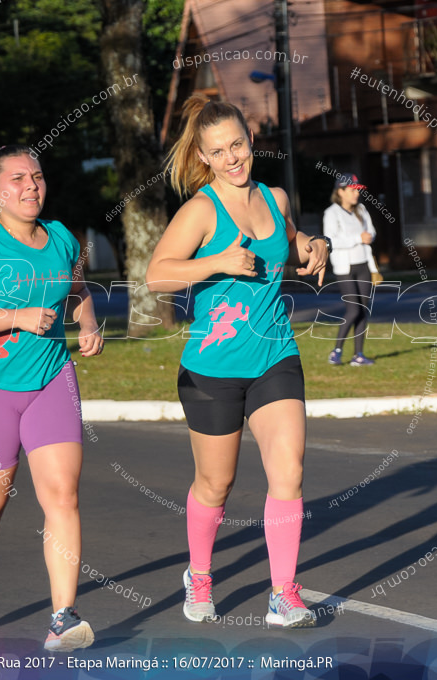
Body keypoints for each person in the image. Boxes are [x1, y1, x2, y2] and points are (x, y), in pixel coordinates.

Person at [145, 94, 329, 628]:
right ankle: (199, 576)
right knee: (215, 484)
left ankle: (284, 594)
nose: (232, 158)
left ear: (251, 142)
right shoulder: (201, 210)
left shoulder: (274, 197)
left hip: (275, 354)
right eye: (219, 151)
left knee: (288, 470)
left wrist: (312, 245)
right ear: (203, 157)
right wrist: (216, 261)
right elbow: (157, 274)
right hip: (212, 368)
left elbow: (291, 245)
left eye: (238, 145)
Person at [0, 144, 104, 652]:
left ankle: (62, 618)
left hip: (51, 379)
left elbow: (75, 287)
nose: (30, 186)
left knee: (63, 496)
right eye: (16, 179)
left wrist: (88, 321)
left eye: (36, 176)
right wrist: (18, 315)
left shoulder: (61, 238)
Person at [323, 173, 378, 366]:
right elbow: (331, 241)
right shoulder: (332, 213)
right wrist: (358, 239)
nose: (356, 194)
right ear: (341, 191)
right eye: (352, 190)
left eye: (358, 190)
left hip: (363, 265)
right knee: (353, 310)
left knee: (363, 311)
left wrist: (368, 238)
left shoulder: (361, 209)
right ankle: (336, 351)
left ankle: (359, 355)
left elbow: (370, 232)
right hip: (345, 268)